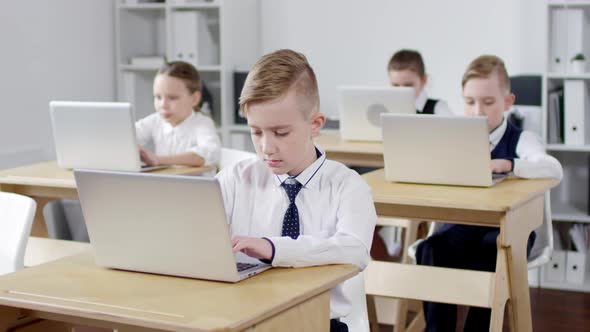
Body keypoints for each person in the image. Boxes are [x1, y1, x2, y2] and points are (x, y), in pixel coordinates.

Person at [216, 49, 377, 332]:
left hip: (320, 323)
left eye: (280, 132)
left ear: (314, 124)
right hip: (248, 319)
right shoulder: (234, 180)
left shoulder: (348, 186)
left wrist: (275, 248)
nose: (267, 147)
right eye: (256, 132)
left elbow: (355, 250)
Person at [416, 54, 563, 331]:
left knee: (491, 250)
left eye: (488, 102)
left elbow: (553, 169)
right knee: (430, 249)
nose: (477, 111)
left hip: (509, 232)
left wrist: (510, 164)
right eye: (470, 102)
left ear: (507, 102)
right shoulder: (456, 137)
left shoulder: (522, 139)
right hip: (467, 225)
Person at [136, 61, 221, 167]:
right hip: (165, 183)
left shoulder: (203, 124)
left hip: (194, 184)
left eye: (172, 98)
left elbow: (210, 153)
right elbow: (128, 136)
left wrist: (158, 159)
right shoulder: (155, 121)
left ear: (194, 98)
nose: (163, 105)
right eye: (158, 97)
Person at [387, 49, 452, 115]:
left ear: (424, 80)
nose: (401, 91)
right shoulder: (386, 109)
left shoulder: (438, 108)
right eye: (395, 85)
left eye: (408, 85)